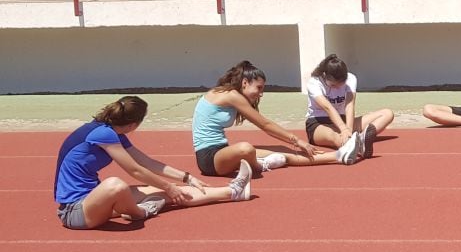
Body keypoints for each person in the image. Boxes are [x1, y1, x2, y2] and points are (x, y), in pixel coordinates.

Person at [54, 96, 252, 230]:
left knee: (167, 191)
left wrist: (187, 178)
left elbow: (147, 163)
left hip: (93, 199)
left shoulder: (114, 133)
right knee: (115, 185)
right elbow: (135, 170)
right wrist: (167, 186)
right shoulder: (102, 133)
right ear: (133, 124)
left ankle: (233, 191)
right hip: (74, 211)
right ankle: (140, 213)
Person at [192, 60, 364, 178]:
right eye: (258, 88)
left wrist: (294, 144)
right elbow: (265, 125)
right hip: (209, 159)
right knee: (246, 148)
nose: (261, 93)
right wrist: (297, 140)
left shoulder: (232, 96)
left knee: (282, 152)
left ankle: (338, 155)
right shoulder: (231, 96)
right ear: (244, 82)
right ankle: (259, 165)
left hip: (223, 151)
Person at [306, 54, 393, 159]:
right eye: (333, 85)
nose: (338, 88)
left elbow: (349, 104)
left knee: (387, 114)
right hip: (319, 123)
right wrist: (343, 129)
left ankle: (359, 139)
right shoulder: (314, 83)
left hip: (344, 120)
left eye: (341, 84)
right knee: (333, 136)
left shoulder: (351, 78)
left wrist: (349, 129)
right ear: (325, 75)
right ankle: (357, 145)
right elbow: (328, 108)